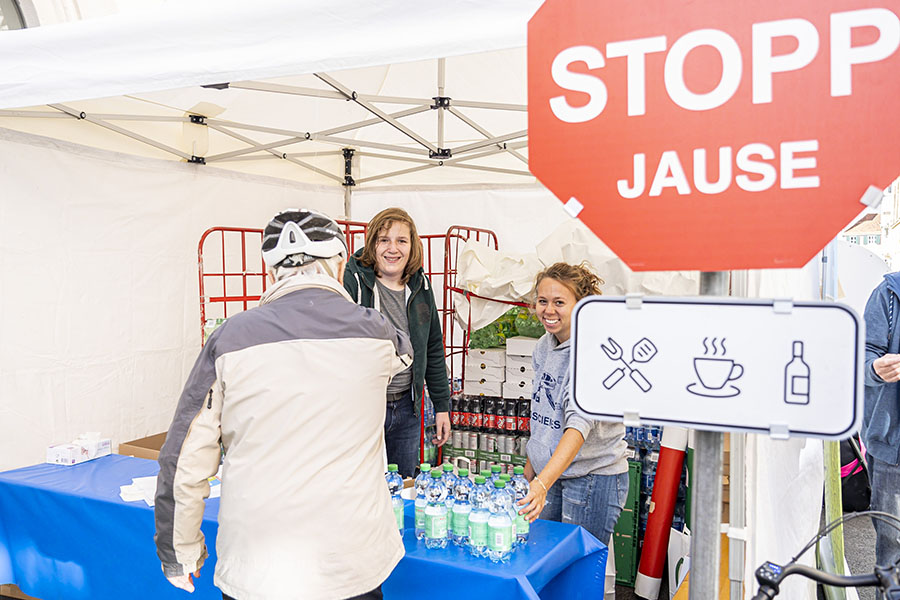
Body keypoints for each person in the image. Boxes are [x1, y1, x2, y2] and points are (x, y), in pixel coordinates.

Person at [154, 208, 412, 600]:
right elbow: (404, 356)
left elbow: (184, 457)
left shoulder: (228, 339)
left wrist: (180, 552)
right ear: (340, 264)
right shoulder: (378, 334)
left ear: (269, 270)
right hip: (352, 562)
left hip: (259, 567)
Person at [518, 262, 629, 549]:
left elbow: (578, 426)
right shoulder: (545, 344)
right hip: (553, 475)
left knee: (576, 573)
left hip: (592, 478)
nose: (548, 310)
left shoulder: (593, 350)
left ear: (581, 305)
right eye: (542, 301)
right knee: (547, 562)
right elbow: (543, 411)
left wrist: (542, 483)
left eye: (559, 302)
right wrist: (531, 469)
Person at [343, 207, 451, 478]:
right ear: (372, 245)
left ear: (412, 246)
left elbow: (433, 348)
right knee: (363, 485)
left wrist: (442, 406)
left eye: (401, 241)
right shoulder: (354, 282)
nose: (393, 249)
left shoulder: (421, 287)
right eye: (384, 240)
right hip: (365, 406)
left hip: (407, 407)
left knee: (404, 485)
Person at [862, 271, 900, 589]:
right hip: (893, 448)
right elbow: (862, 357)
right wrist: (875, 369)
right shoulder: (889, 293)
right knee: (893, 552)